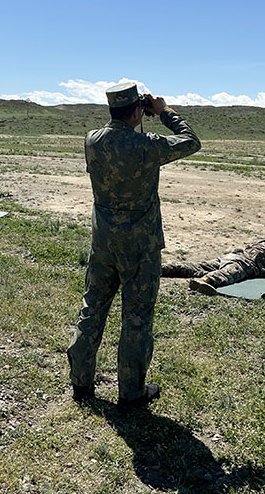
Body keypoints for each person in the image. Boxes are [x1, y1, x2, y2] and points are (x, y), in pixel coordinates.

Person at [66, 82, 201, 409]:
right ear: (138, 111)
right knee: (136, 317)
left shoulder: (92, 141)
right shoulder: (146, 146)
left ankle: (81, 382)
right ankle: (131, 391)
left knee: (92, 307)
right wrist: (165, 112)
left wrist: (140, 111)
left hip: (103, 242)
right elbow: (191, 142)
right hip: (140, 245)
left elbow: (115, 135)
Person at [162, 228, 265, 295]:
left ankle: (163, 268)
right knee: (225, 275)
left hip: (231, 256)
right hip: (244, 263)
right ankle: (204, 281)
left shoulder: (262, 240)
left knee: (196, 266)